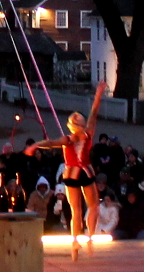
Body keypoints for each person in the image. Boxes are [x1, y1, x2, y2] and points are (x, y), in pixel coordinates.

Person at [24, 82, 106, 241]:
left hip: (71, 173)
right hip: (85, 171)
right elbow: (94, 113)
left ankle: (76, 240)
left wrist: (35, 145)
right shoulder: (87, 134)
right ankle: (89, 236)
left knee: (76, 210)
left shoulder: (68, 139)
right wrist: (98, 95)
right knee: (93, 206)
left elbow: (51, 143)